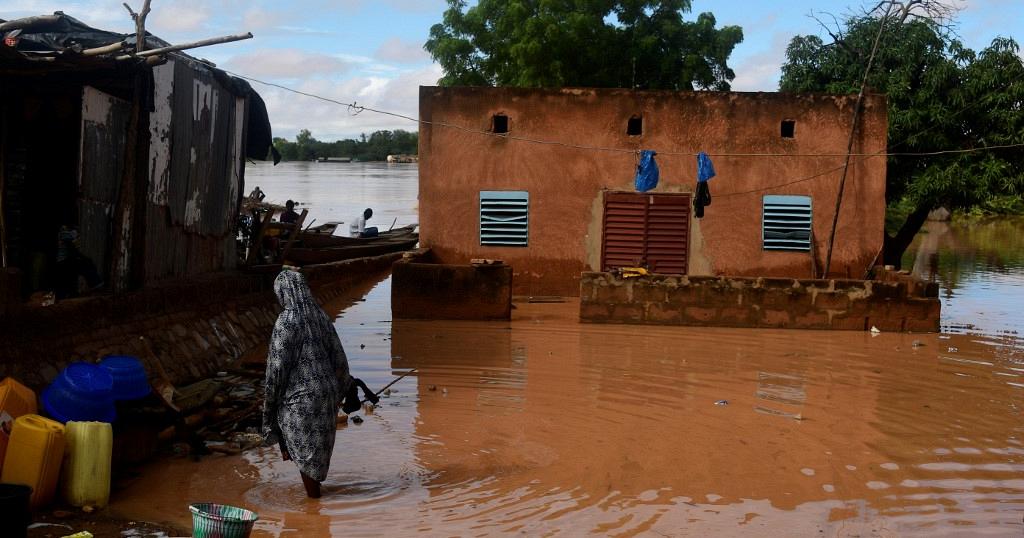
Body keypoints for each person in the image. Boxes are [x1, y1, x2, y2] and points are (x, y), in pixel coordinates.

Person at [262, 270, 352, 498]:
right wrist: (339, 391)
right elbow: (339, 359)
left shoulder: (286, 321)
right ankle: (316, 499)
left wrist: (270, 403)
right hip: (328, 393)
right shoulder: (320, 316)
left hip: (302, 399)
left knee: (305, 451)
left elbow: (277, 368)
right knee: (316, 450)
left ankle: (314, 506)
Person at [54, 226, 103, 299]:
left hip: (68, 261)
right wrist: (83, 258)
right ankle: (96, 285)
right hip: (64, 262)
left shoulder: (71, 231)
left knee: (85, 263)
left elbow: (74, 250)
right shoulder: (64, 231)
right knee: (86, 264)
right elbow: (71, 250)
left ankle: (94, 285)